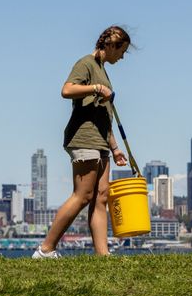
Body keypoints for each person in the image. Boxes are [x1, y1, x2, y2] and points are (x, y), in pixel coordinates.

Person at [33, 26, 132, 258]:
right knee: (83, 195)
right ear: (110, 45)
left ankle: (103, 255)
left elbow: (103, 115)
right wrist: (96, 88)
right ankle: (45, 250)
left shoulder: (103, 70)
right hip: (84, 138)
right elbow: (66, 90)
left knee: (101, 197)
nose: (123, 56)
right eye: (122, 51)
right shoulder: (86, 63)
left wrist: (115, 148)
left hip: (101, 142)